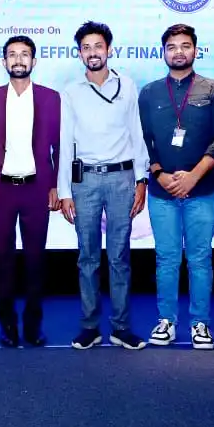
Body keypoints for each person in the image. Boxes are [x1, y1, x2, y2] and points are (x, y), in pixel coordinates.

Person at [138, 24, 214, 349]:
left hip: (202, 190)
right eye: (172, 47)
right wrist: (159, 173)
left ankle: (200, 324)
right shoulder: (149, 92)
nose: (178, 52)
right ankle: (166, 321)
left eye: (185, 45)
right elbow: (142, 138)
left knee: (200, 259)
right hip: (161, 191)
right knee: (166, 259)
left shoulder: (213, 90)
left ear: (196, 50)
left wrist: (193, 175)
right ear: (163, 52)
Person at [57, 21, 149, 351]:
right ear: (79, 53)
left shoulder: (128, 85)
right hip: (85, 182)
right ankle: (89, 327)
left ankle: (121, 328)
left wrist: (141, 180)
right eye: (86, 48)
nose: (92, 52)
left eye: (98, 46)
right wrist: (64, 191)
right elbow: (65, 143)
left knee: (120, 256)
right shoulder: (71, 92)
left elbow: (137, 134)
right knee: (88, 257)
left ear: (109, 49)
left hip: (122, 179)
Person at [0, 35, 61, 347]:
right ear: (4, 61)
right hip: (1, 191)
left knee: (36, 260)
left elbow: (60, 146)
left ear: (34, 61)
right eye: (12, 54)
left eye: (25, 54)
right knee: (3, 260)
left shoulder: (50, 98)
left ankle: (33, 325)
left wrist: (56, 185)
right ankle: (7, 325)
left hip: (37, 189)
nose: (19, 60)